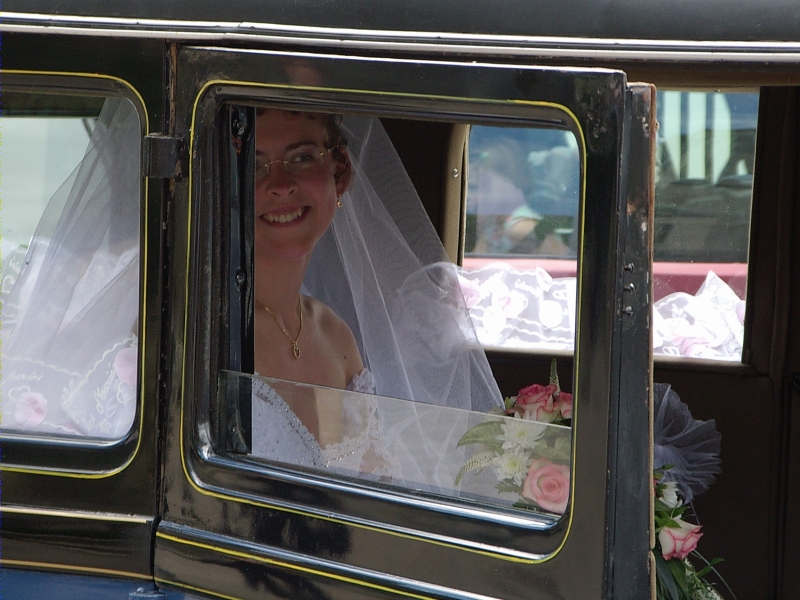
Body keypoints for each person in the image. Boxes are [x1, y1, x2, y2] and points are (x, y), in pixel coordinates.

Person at [253, 109, 370, 392]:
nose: (281, 186)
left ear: (340, 173)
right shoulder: (200, 333)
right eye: (253, 166)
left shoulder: (334, 336)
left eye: (301, 158)